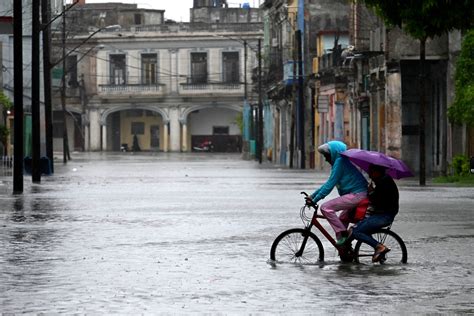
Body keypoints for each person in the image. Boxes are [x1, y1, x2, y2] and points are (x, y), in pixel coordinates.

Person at [306, 141, 368, 245]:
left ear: (334, 153)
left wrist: (315, 200)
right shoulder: (340, 162)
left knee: (326, 208)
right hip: (358, 194)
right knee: (342, 219)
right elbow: (328, 183)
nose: (326, 159)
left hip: (357, 194)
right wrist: (312, 196)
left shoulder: (340, 162)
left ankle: (343, 234)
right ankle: (345, 250)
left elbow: (329, 186)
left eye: (327, 156)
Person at [350, 163, 399, 262]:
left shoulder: (384, 183)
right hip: (381, 214)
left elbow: (378, 201)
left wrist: (371, 192)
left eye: (371, 172)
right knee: (353, 228)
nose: (370, 175)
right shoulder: (382, 180)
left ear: (377, 172)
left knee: (356, 232)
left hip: (384, 216)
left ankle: (379, 247)